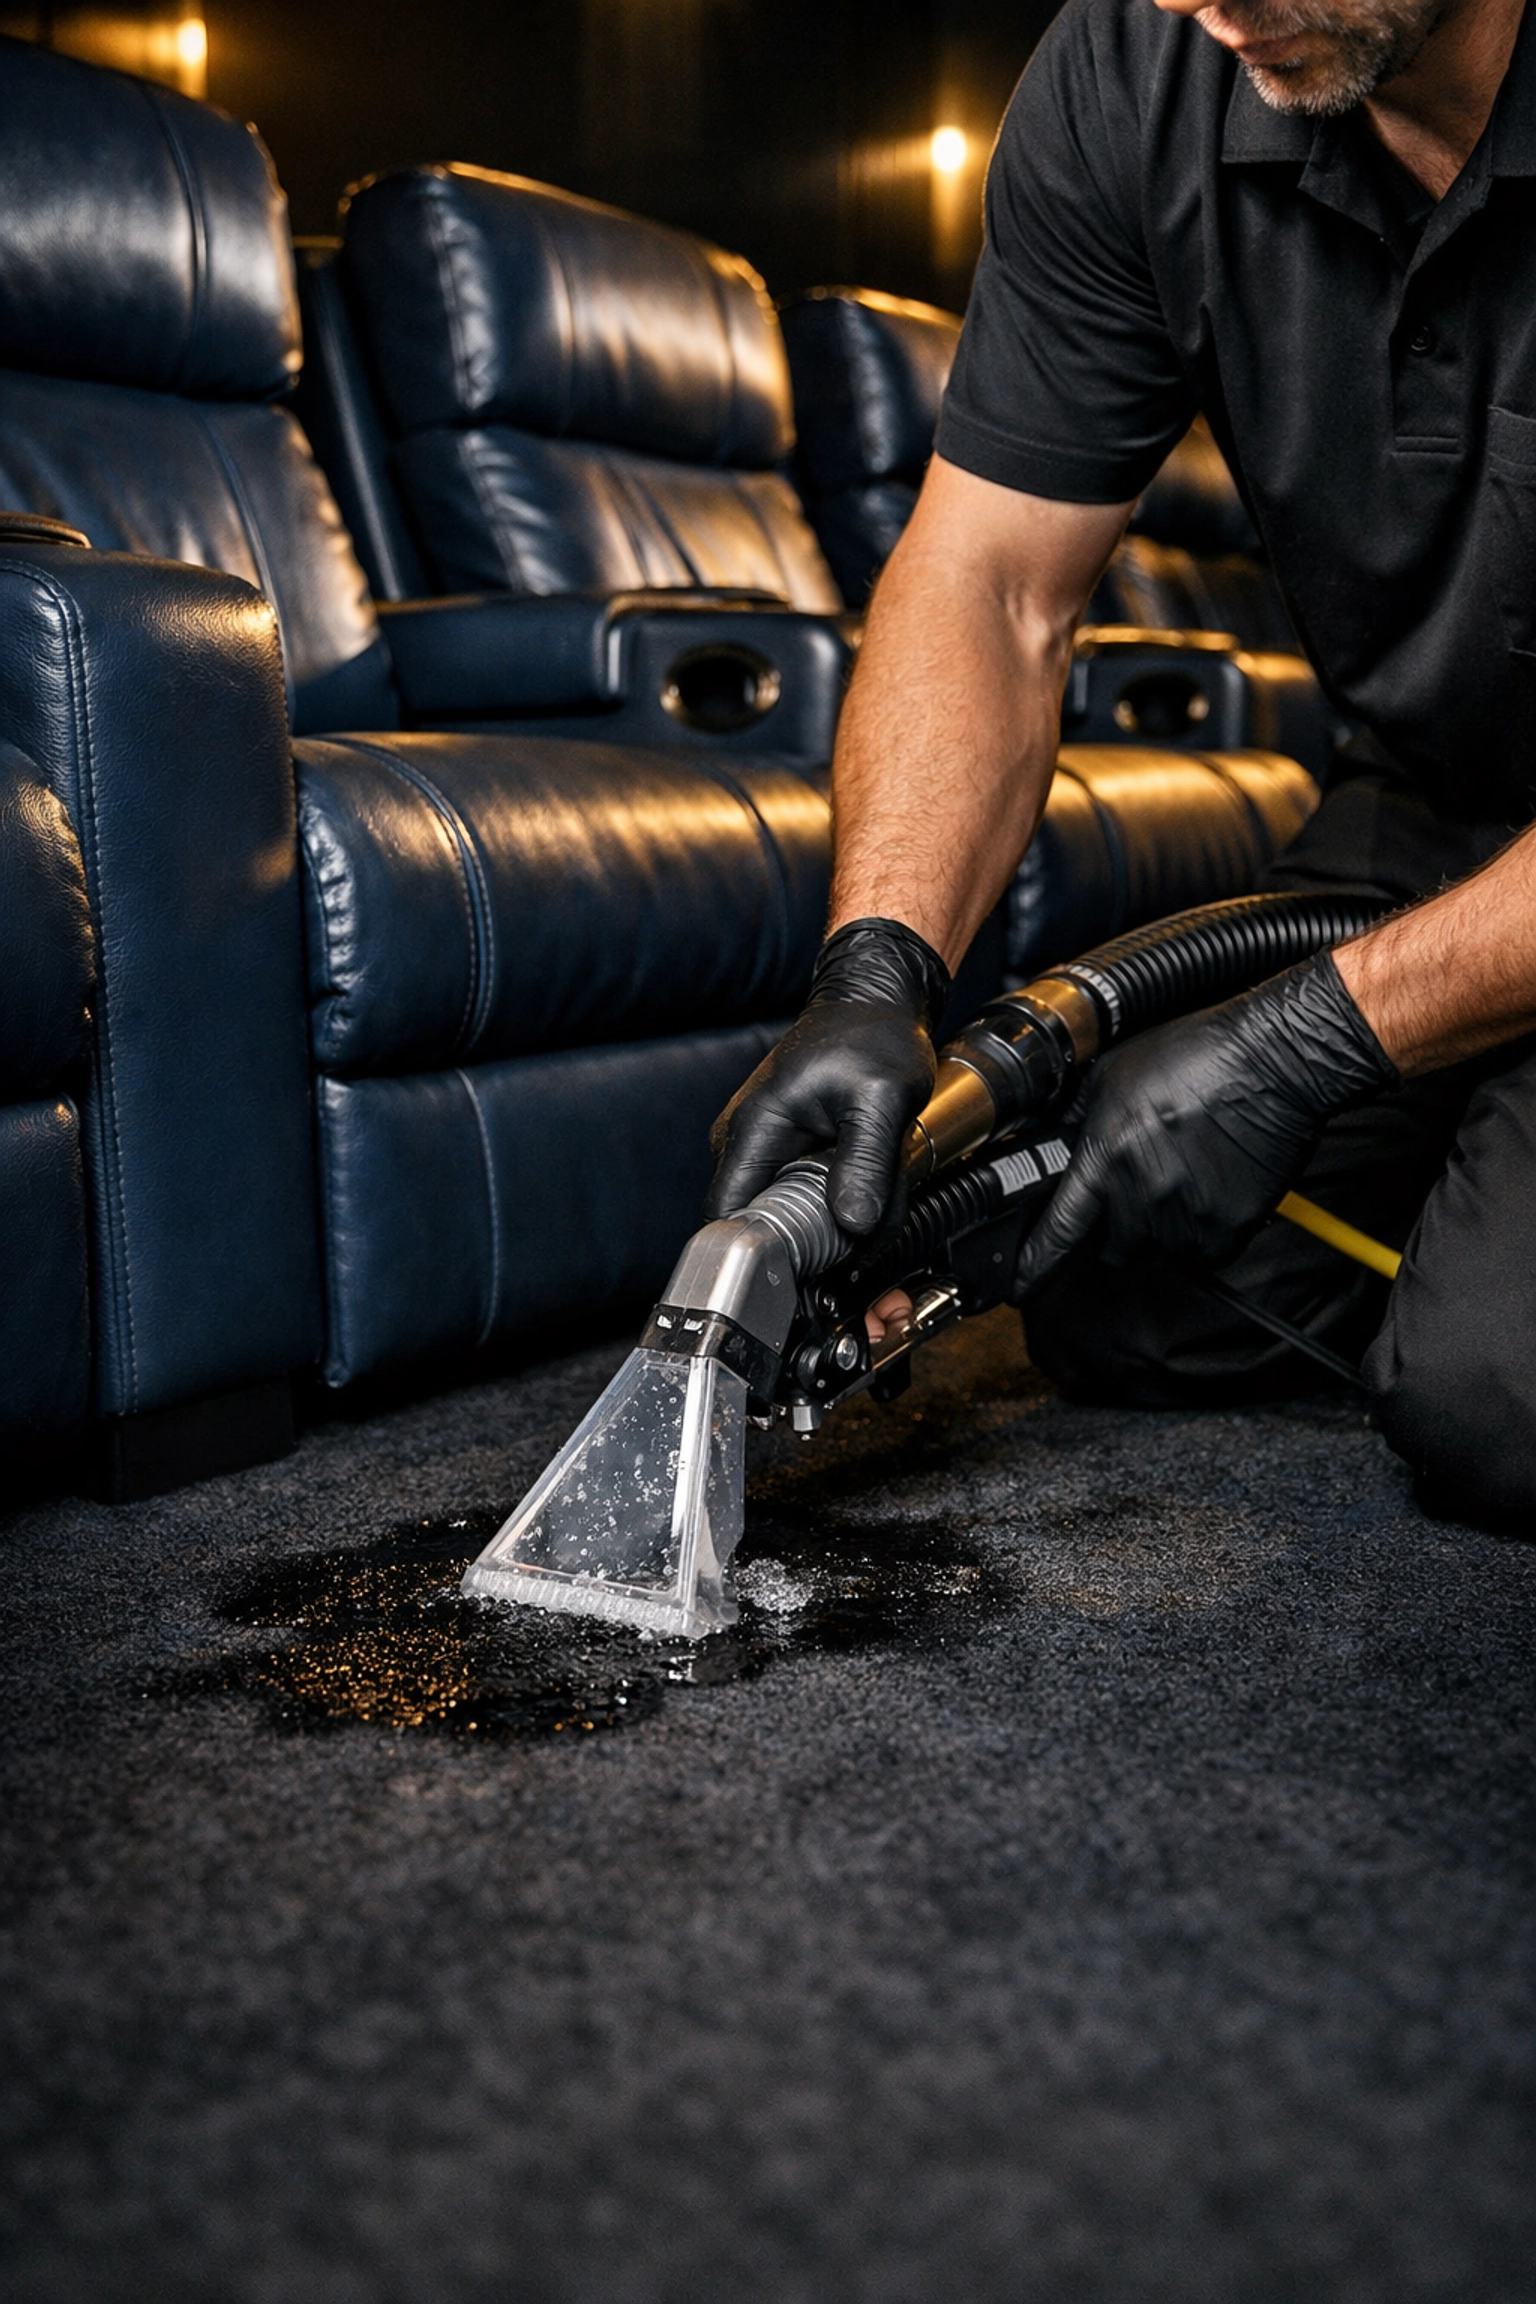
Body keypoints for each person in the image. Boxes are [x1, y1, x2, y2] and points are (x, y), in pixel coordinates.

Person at [708, 0, 1536, 1524]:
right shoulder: (1138, 74)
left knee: (1499, 1396)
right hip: (1429, 804)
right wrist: (878, 970)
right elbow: (992, 582)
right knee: (1118, 1275)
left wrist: (1314, 1043)